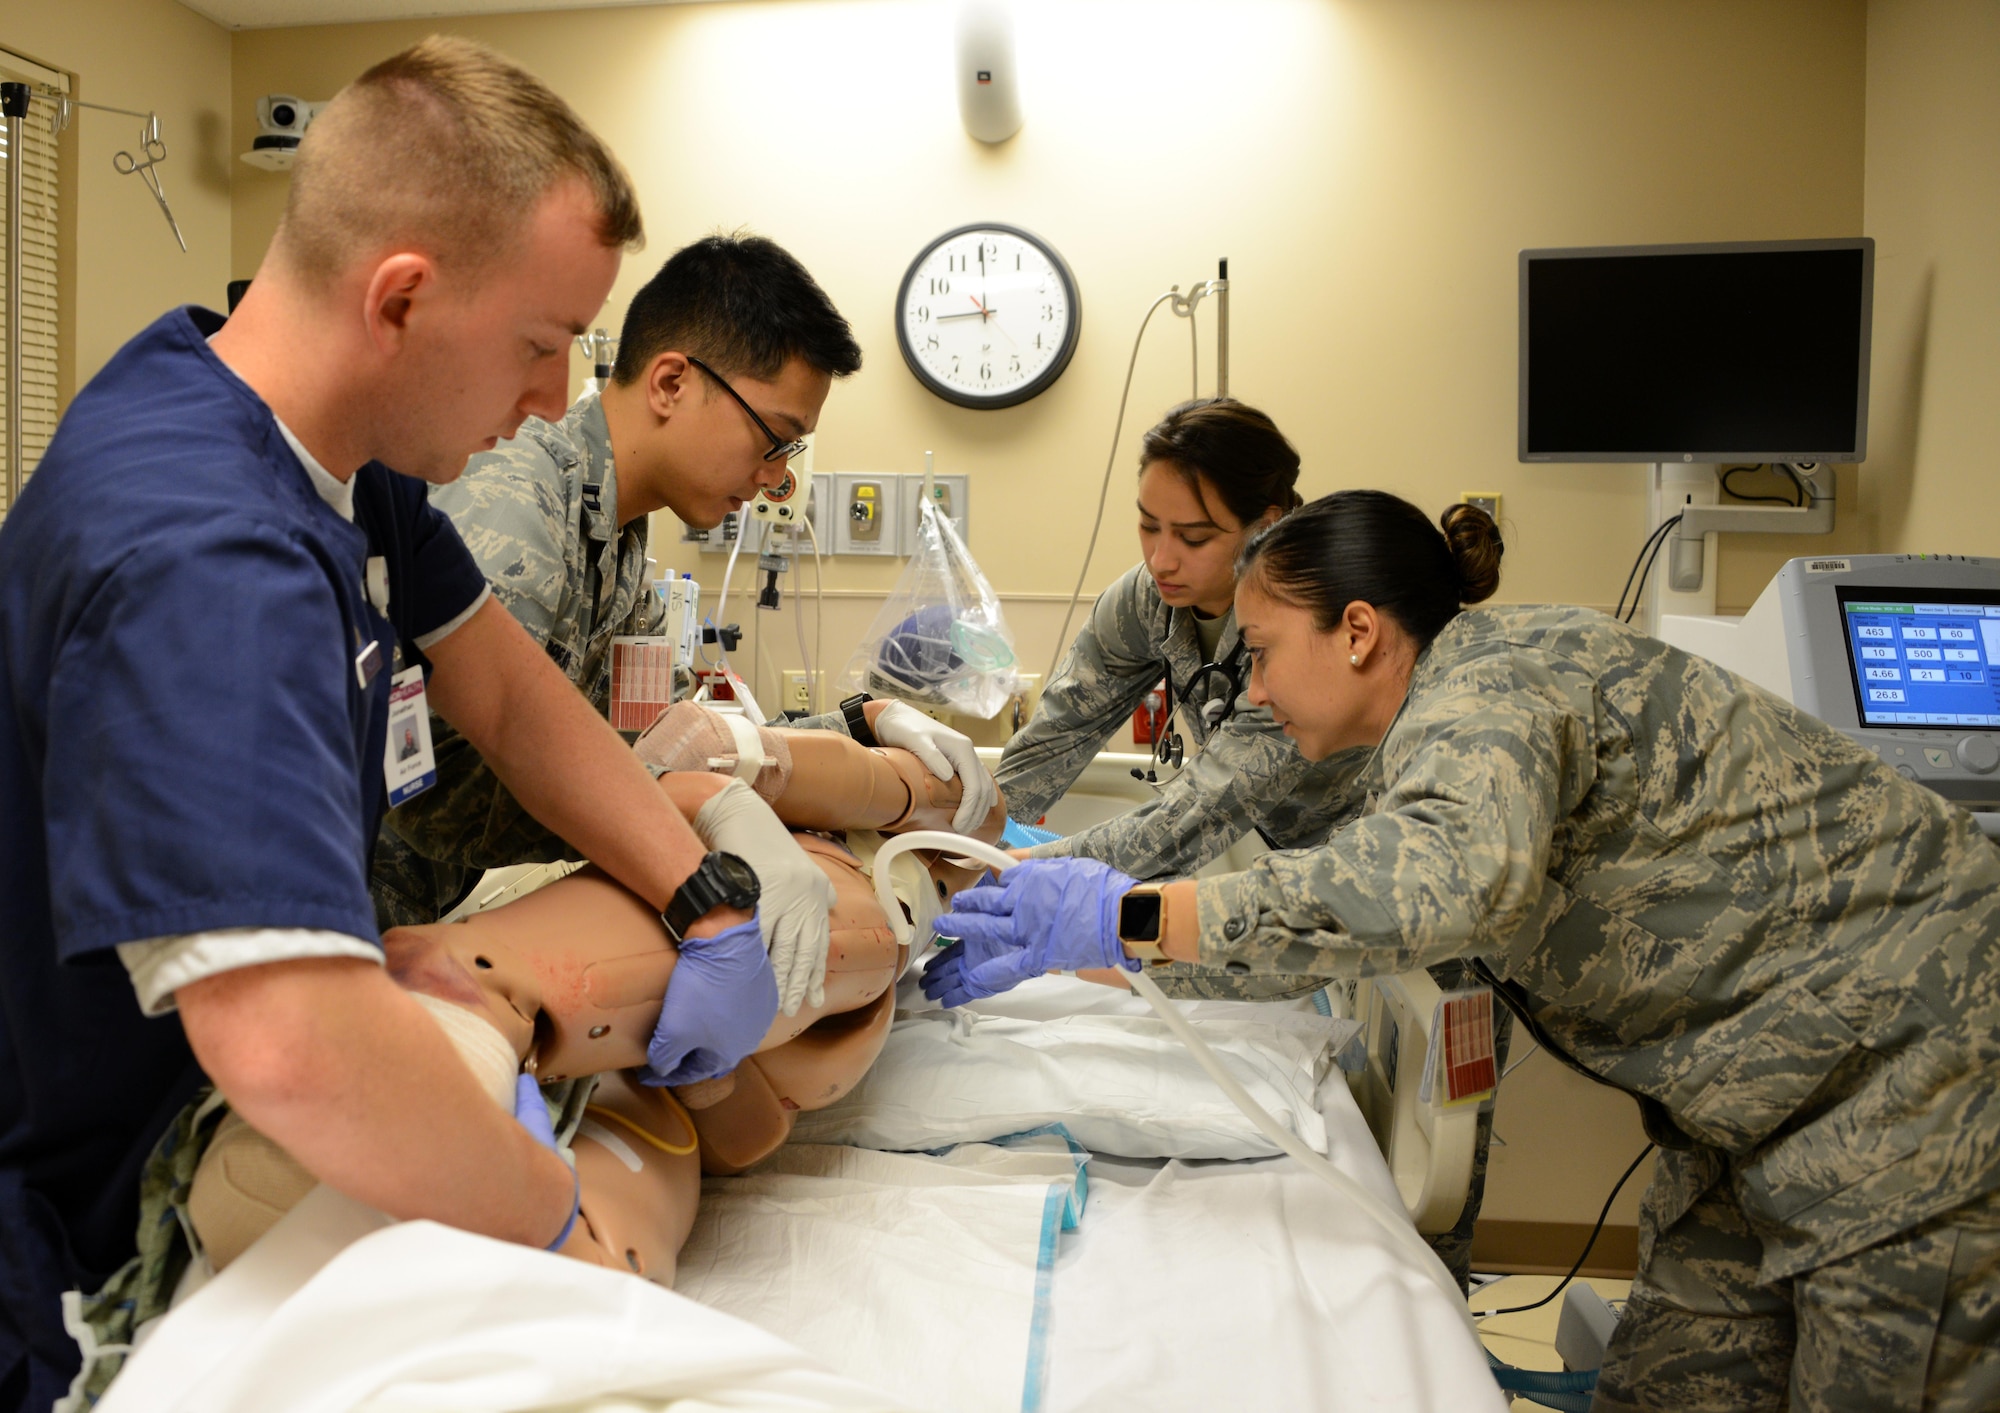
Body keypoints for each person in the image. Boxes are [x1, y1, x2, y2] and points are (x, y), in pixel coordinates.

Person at [0, 38, 793, 1410]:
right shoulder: (207, 556)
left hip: (189, 1109)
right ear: (403, 298)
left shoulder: (328, 456)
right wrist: (548, 1212)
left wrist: (701, 893)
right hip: (74, 1208)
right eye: (541, 346)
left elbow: (503, 689)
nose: (556, 400)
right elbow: (293, 1047)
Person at [930, 489, 2000, 1410]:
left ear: (1356, 631)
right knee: (1669, 1384)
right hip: (1750, 1119)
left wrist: (1131, 917)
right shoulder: (1431, 726)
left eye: (1260, 656)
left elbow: (1446, 885)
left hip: (1913, 1085)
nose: (1250, 691)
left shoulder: (1491, 687)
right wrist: (1093, 951)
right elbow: (1343, 924)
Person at [372, 232, 996, 1014]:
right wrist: (701, 810)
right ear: (671, 381)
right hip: (364, 932)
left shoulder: (622, 550)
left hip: (441, 933)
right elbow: (448, 793)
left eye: (792, 449)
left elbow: (663, 738)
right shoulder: (516, 510)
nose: (777, 480)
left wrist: (858, 722)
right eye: (772, 439)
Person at [992, 398, 1503, 1287]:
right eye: (1147, 526)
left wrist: (1017, 886)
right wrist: (963, 833)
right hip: (1313, 884)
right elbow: (1056, 736)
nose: (1161, 558)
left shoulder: (1304, 626)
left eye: (1192, 535)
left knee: (1416, 1205)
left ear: (1267, 525)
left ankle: (1429, 1317)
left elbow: (1195, 813)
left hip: (1402, 883)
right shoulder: (1148, 604)